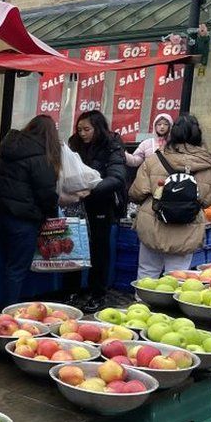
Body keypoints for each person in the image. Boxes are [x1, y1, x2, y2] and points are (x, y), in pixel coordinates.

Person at [130, 115, 211, 278]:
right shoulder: (208, 166)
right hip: (186, 229)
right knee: (176, 276)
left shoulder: (154, 159)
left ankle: (143, 302)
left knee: (147, 272)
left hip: (153, 223)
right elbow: (209, 200)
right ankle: (169, 304)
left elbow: (136, 193)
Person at [0, 115, 62, 305]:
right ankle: (8, 315)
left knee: (7, 265)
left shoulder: (9, 148)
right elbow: (46, 193)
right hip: (24, 221)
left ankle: (5, 307)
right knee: (17, 270)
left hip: (2, 216)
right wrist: (51, 214)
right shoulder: (40, 156)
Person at [67, 110, 128, 312]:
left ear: (98, 128)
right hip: (76, 203)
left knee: (99, 249)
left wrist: (92, 190)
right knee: (72, 246)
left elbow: (117, 177)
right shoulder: (73, 143)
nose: (82, 133)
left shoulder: (112, 144)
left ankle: (98, 293)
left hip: (101, 203)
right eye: (79, 129)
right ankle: (72, 290)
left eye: (87, 129)